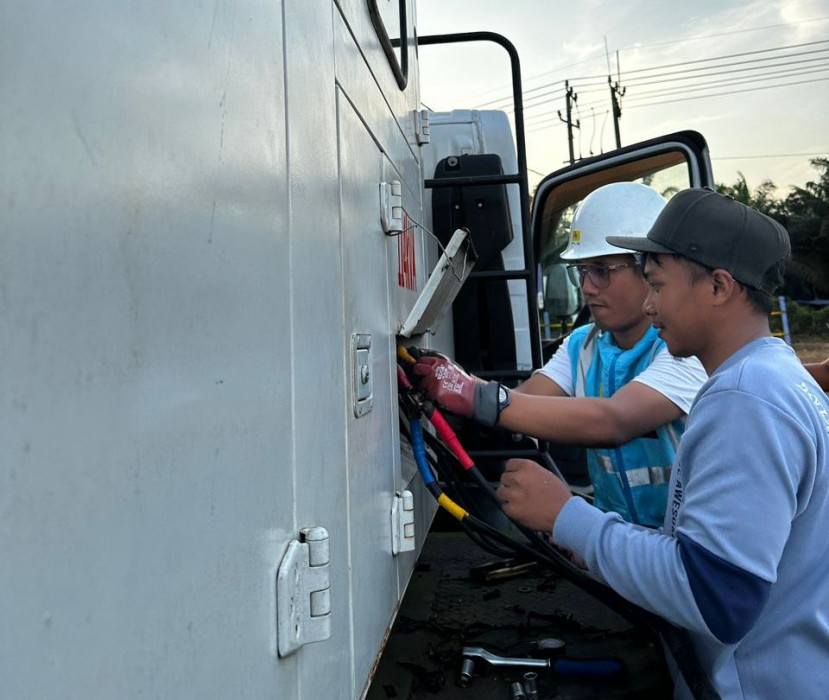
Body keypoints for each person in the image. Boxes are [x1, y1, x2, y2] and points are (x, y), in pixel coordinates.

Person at [497, 189, 829, 699]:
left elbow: (714, 595)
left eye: (658, 285)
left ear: (719, 286)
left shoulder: (746, 399)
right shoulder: (767, 377)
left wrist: (566, 515)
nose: (650, 304)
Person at [413, 182, 708, 527]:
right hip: (622, 548)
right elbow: (523, 403)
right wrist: (450, 395)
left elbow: (615, 421)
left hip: (683, 549)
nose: (587, 287)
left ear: (649, 270)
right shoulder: (583, 344)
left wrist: (470, 391)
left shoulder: (683, 349)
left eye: (601, 270)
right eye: (581, 271)